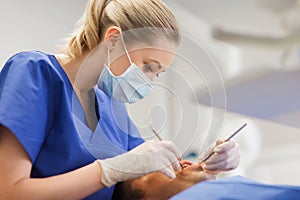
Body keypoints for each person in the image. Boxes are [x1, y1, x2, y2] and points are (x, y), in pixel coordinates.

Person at [0, 0, 240, 199]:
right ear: (113, 39)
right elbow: (8, 192)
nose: (150, 81)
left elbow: (139, 183)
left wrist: (200, 169)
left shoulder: (112, 107)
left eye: (157, 73)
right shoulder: (35, 73)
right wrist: (108, 170)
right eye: (148, 67)